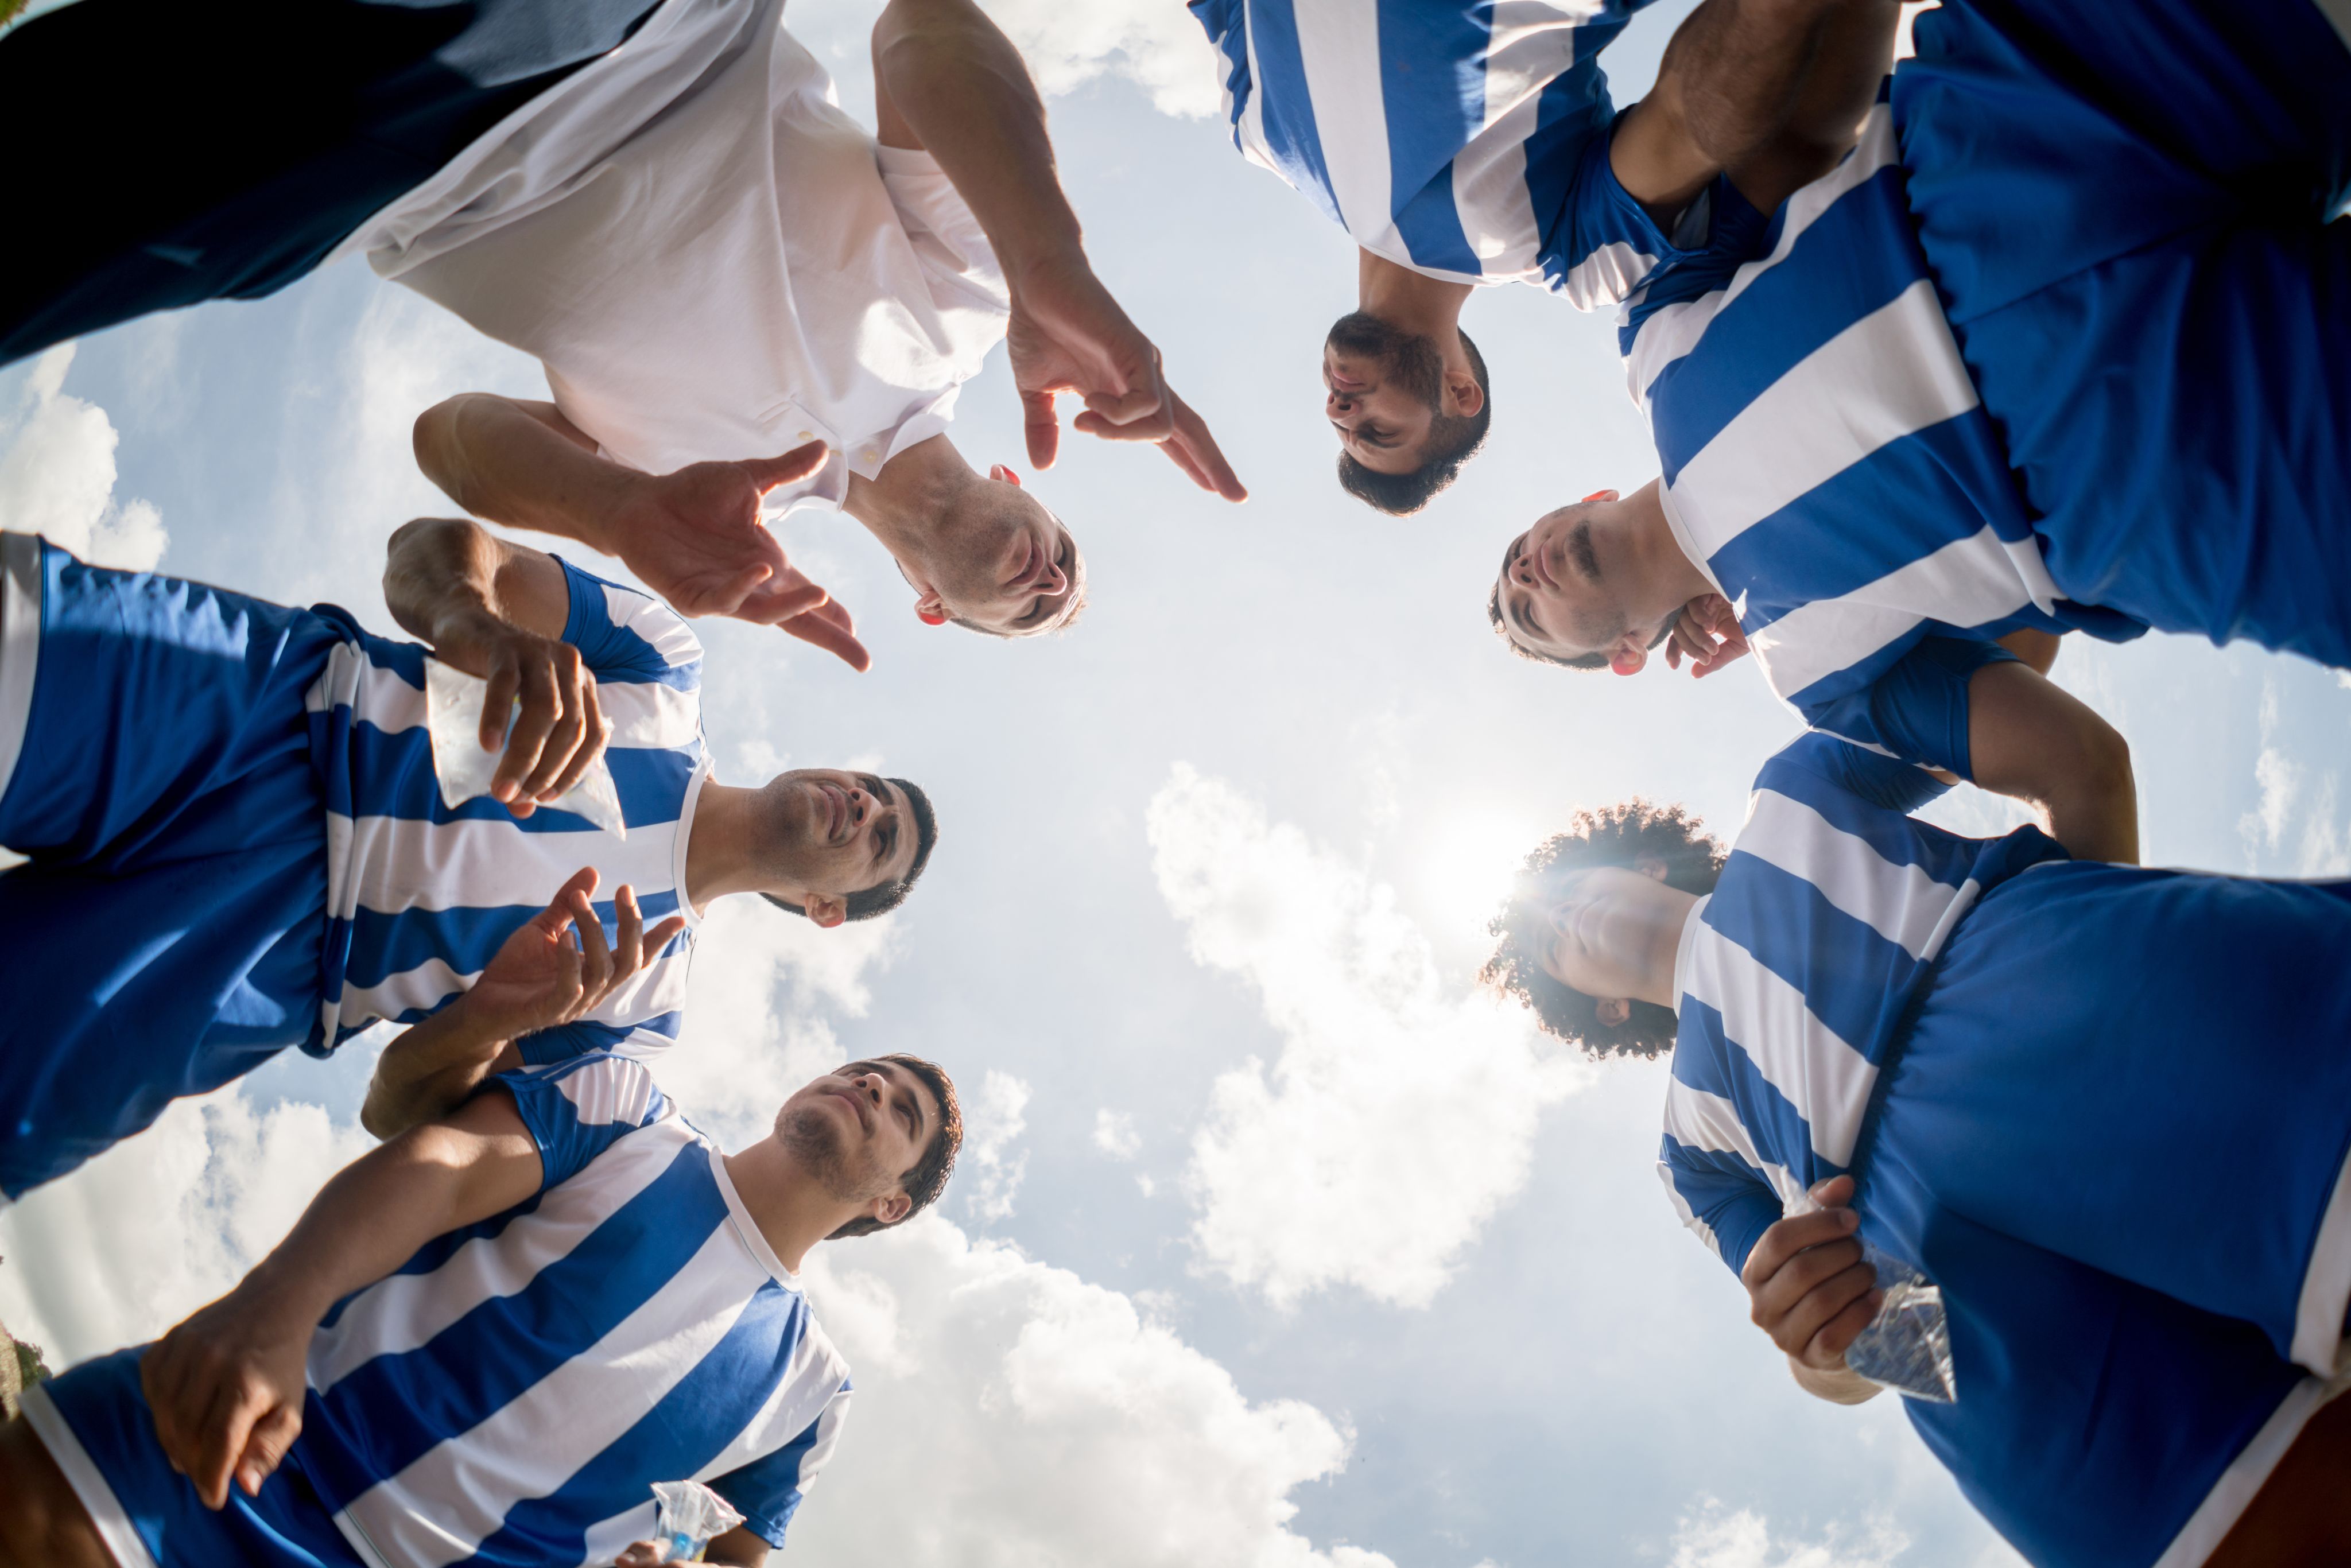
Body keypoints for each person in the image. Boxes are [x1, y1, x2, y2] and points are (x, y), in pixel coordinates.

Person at [1, 0, 1245, 665]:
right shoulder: (973, 312)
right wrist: (1049, 260)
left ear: (927, 605)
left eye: (1032, 615)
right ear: (1030, 482)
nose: (1053, 584)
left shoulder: (713, 519)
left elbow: (452, 440)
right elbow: (919, 32)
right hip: (614, 34)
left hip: (382, 192)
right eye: (1068, 563)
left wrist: (615, 516)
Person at [1481, 732, 2351, 1566]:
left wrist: (2100, 975)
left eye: (1565, 888)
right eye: (1551, 943)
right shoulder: (1686, 1157)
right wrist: (1820, 1348)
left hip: (2080, 1006)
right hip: (1950, 1309)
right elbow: (1839, 1353)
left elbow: (2065, 743)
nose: (1561, 914)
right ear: (1601, 1008)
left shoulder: (1791, 791)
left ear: (1640, 860)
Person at [1490, 0, 2350, 824]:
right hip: (2160, 474)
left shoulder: (1649, 342)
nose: (1527, 573)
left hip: (2028, 126)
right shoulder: (1819, 684)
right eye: (1531, 611)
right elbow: (2062, 745)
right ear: (1627, 655)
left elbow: (1797, 136)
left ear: (1587, 499)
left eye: (1513, 555)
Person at [0, 522, 937, 1200]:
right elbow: (428, 550)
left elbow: (398, 1110)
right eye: (874, 785)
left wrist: (488, 1020)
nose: (866, 802)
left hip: (266, 963)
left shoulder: (636, 1015)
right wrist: (476, 625)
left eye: (881, 836)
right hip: (260, 711)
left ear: (823, 907)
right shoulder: (661, 663)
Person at [0, 1050, 964, 1567]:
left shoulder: (814, 1393)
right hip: (238, 1458)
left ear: (891, 1204)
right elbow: (441, 1169)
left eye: (902, 1112)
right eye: (867, 1068)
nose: (871, 1083)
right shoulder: (630, 1114)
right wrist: (274, 1306)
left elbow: (736, 1558)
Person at [1188, 0, 1899, 513]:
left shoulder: (1258, 135)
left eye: (1339, 425)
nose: (1342, 409)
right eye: (1376, 430)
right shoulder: (1562, 250)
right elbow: (1691, 118)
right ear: (1460, 393)